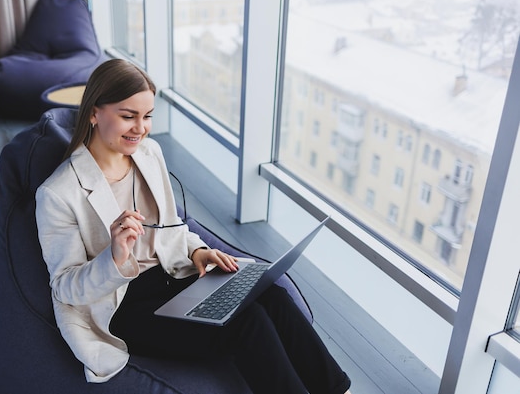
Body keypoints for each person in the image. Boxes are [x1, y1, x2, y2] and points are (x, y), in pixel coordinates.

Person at [35, 58, 352, 394]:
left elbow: (171, 226)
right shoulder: (58, 193)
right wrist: (113, 257)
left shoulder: (149, 153)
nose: (140, 128)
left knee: (272, 294)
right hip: (124, 307)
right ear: (94, 113)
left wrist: (197, 250)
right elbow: (64, 289)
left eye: (147, 116)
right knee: (247, 323)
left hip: (175, 278)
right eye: (128, 116)